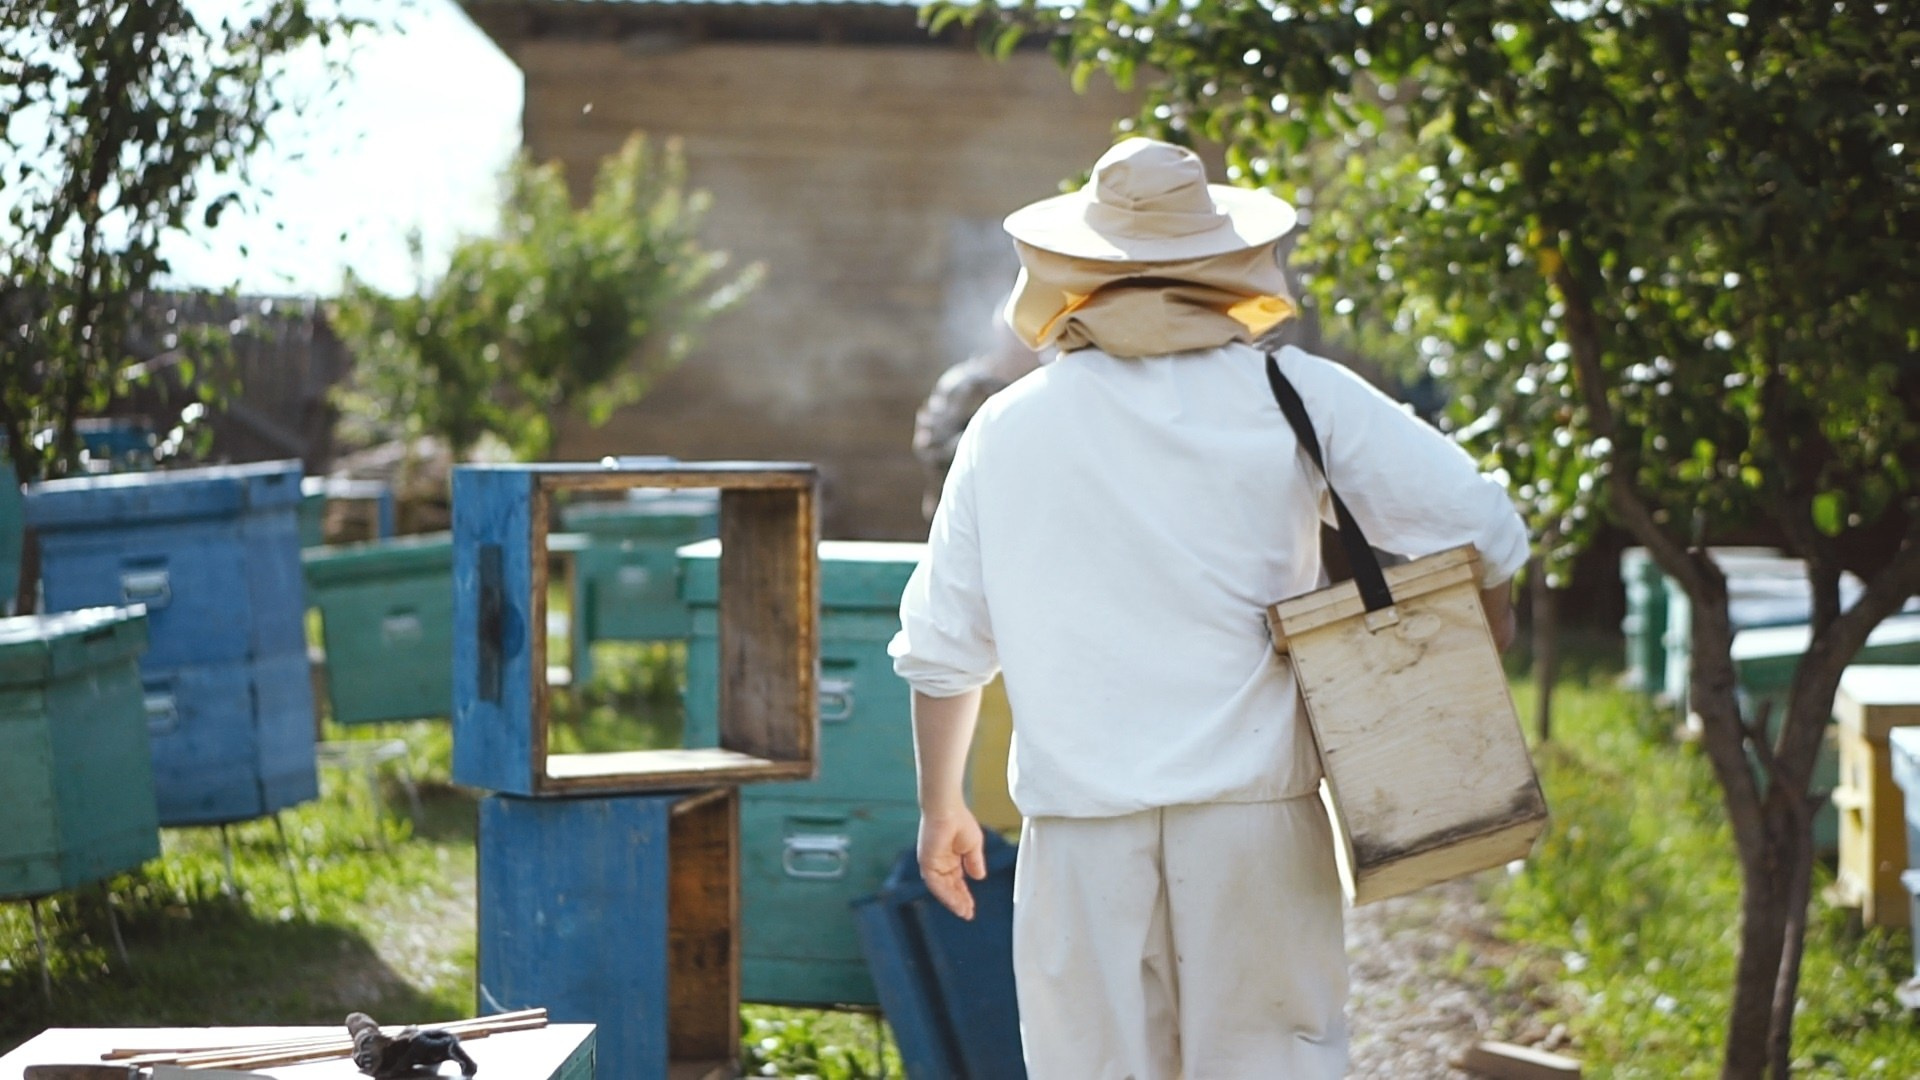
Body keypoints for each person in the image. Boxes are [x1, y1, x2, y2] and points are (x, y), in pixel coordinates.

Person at [888, 137, 1529, 1079]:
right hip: (1255, 826)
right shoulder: (1296, 394)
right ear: (1230, 265)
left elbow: (943, 649)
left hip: (1082, 836)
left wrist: (941, 805)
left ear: (1075, 273)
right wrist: (1489, 636)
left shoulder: (1008, 425)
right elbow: (1485, 528)